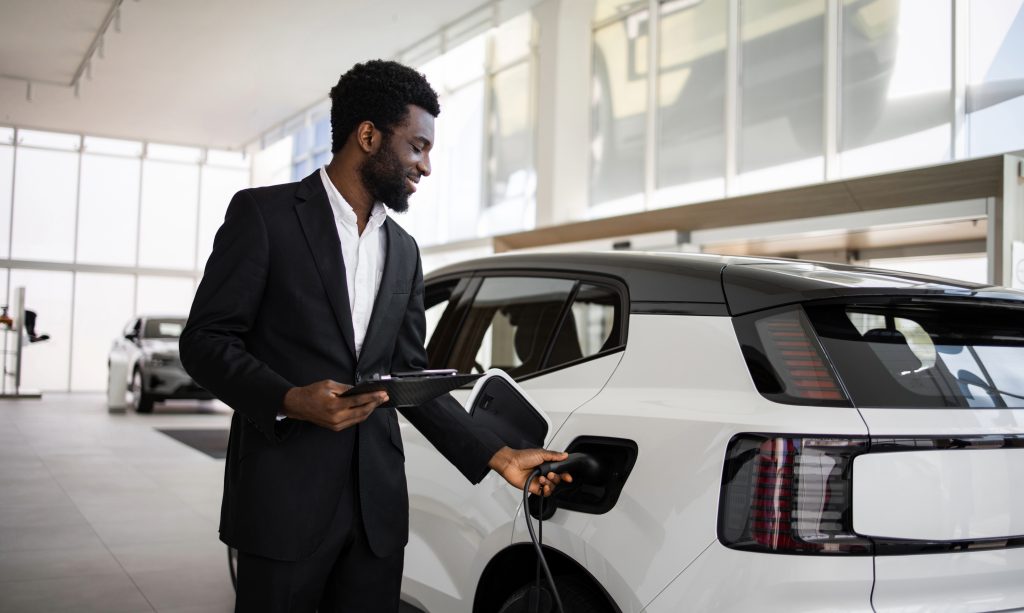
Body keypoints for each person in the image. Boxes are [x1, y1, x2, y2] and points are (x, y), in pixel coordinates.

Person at [179, 60, 570, 613]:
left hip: (376, 513)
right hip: (283, 501)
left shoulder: (405, 251)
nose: (426, 166)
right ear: (368, 136)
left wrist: (497, 455)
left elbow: (408, 375)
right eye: (417, 147)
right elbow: (204, 342)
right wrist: (290, 400)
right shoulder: (264, 216)